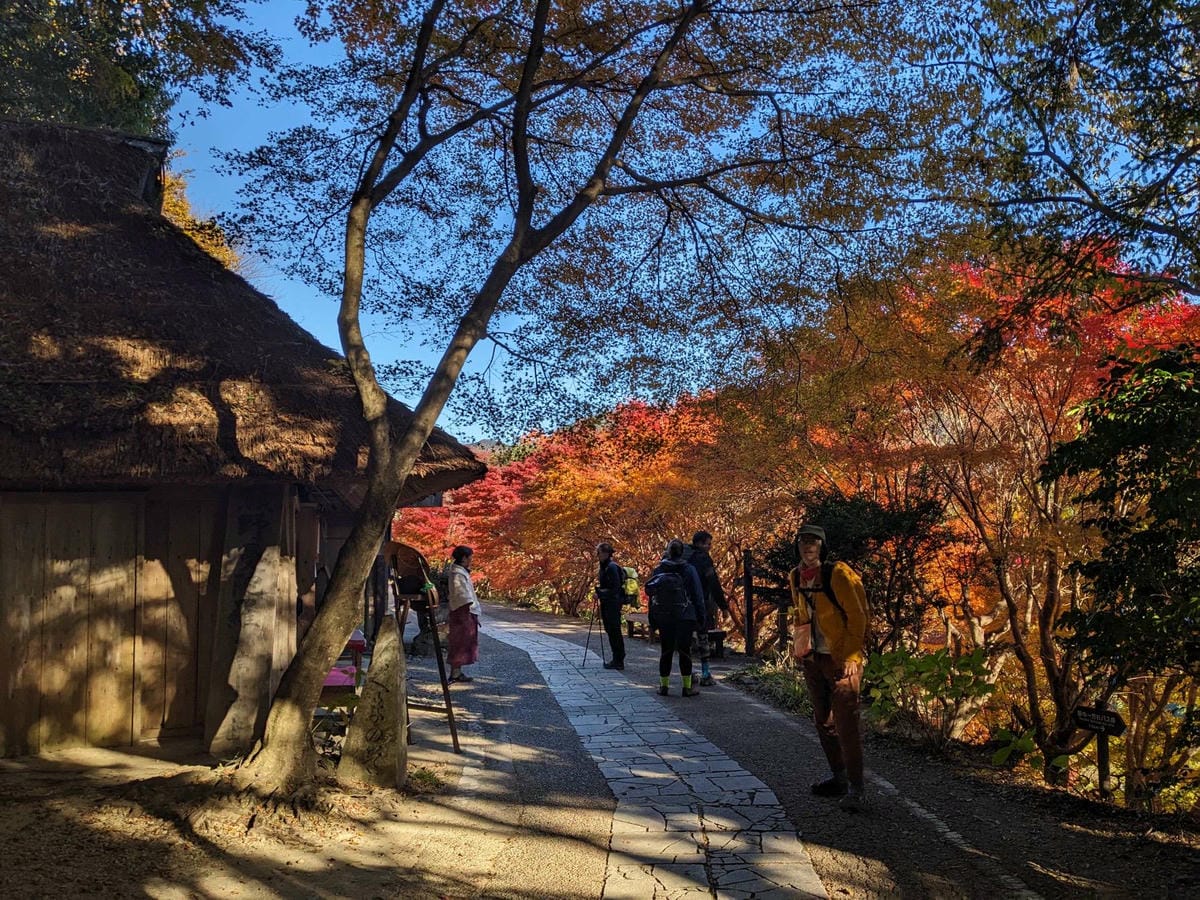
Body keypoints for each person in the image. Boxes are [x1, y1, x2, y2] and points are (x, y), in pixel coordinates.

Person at [789, 524, 870, 811]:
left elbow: (858, 616)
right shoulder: (795, 576)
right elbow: (800, 614)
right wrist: (798, 646)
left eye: (813, 542)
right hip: (814, 658)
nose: (808, 546)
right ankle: (839, 778)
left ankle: (857, 788)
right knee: (823, 721)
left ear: (822, 546)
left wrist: (851, 656)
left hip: (841, 660)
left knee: (846, 724)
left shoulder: (838, 574)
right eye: (803, 542)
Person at [647, 538, 705, 697]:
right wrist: (701, 617)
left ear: (668, 551)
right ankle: (687, 688)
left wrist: (652, 620)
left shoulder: (659, 570)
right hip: (685, 616)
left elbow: (652, 597)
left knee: (666, 651)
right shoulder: (689, 569)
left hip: (664, 616)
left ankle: (663, 686)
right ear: (682, 553)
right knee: (684, 652)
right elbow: (697, 595)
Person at [687, 530, 729, 686]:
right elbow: (714, 583)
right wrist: (723, 606)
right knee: (703, 638)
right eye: (707, 544)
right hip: (701, 604)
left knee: (688, 640)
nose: (709, 547)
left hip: (684, 606)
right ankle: (705, 673)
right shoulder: (704, 560)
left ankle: (689, 673)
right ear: (699, 543)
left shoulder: (686, 558)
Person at [447, 545, 481, 683]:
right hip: (462, 612)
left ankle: (457, 672)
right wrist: (468, 613)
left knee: (462, 643)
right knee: (459, 643)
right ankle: (455, 673)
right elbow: (462, 596)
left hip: (464, 611)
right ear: (464, 558)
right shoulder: (457, 574)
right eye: (470, 557)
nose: (471, 560)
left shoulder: (460, 572)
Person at [595, 542, 627, 670]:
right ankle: (617, 658)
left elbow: (615, 589)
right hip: (608, 603)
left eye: (600, 553)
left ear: (606, 553)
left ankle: (619, 659)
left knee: (614, 631)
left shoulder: (611, 567)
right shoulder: (604, 566)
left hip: (613, 604)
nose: (598, 555)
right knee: (611, 630)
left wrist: (600, 593)